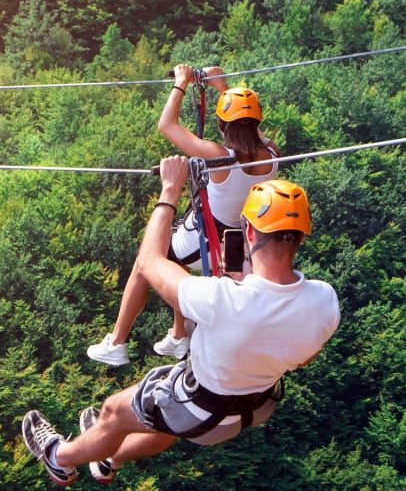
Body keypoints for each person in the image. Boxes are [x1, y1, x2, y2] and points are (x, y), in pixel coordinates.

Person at [23, 157, 339, 485]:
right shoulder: (324, 301)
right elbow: (303, 358)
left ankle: (58, 459)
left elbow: (149, 262)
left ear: (247, 230)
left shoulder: (221, 298)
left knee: (114, 413)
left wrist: (170, 190)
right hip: (252, 409)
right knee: (165, 419)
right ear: (301, 237)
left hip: (200, 409)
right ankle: (110, 458)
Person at [88, 65, 281, 365]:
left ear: (221, 124)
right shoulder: (272, 154)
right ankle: (179, 335)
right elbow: (250, 129)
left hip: (206, 237)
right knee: (177, 263)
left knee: (145, 261)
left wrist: (180, 83)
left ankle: (116, 342)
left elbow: (167, 125)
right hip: (237, 241)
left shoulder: (218, 157)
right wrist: (222, 88)